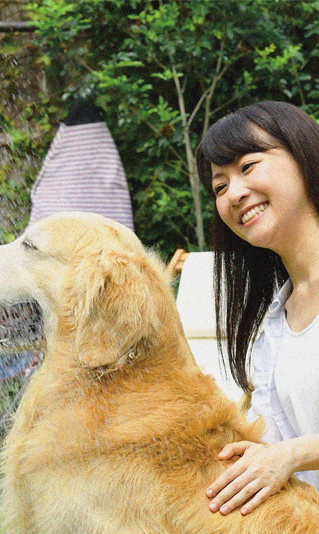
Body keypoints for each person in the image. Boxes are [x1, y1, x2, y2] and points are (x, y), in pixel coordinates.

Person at [195, 100, 319, 516]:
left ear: (303, 155)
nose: (235, 193)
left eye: (248, 166)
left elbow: (283, 455)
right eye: (219, 186)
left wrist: (292, 455)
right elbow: (268, 453)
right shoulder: (273, 328)